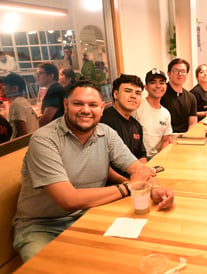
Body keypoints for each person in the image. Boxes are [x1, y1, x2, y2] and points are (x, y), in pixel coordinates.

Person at [12, 80, 174, 262]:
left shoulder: (106, 133)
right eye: (78, 104)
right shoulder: (44, 140)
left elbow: (139, 169)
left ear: (102, 107)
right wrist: (129, 187)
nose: (86, 110)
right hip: (42, 227)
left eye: (93, 105)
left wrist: (156, 189)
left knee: (139, 253)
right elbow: (68, 200)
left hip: (89, 214)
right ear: (66, 104)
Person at [100, 74, 147, 182]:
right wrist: (127, 183)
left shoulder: (136, 125)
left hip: (134, 181)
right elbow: (102, 165)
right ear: (116, 94)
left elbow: (141, 156)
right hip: (112, 185)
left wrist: (143, 175)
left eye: (138, 93)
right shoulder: (104, 122)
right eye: (128, 91)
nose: (133, 96)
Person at [133, 68, 172, 160]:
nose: (158, 86)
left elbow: (165, 141)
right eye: (153, 82)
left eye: (161, 82)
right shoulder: (137, 107)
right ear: (146, 87)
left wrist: (161, 159)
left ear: (165, 86)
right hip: (137, 158)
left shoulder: (166, 113)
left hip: (156, 157)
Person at [160, 58, 197, 133]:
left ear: (186, 74)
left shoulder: (191, 97)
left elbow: (192, 123)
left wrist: (187, 136)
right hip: (165, 137)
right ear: (168, 73)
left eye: (183, 71)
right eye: (176, 71)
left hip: (185, 138)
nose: (180, 74)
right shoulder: (160, 94)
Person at [2, 73, 38, 138]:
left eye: (4, 85)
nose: (1, 87)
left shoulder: (16, 104)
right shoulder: (23, 102)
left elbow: (22, 133)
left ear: (15, 88)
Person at [35, 63, 66, 127]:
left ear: (51, 76)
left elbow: (47, 118)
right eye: (36, 74)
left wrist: (33, 129)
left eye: (40, 73)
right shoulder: (55, 88)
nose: (37, 76)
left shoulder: (55, 90)